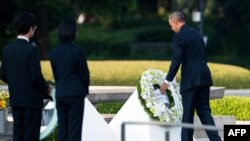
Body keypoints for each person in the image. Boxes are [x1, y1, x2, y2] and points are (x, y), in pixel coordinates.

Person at [160, 11, 222, 141]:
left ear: (176, 22)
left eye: (171, 25)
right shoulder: (196, 34)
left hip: (191, 80)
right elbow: (204, 55)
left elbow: (177, 59)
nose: (172, 29)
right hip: (204, 77)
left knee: (187, 115)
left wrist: (167, 81)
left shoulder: (179, 36)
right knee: (205, 112)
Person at [0, 12, 51, 141]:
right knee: (31, 136)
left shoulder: (7, 50)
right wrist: (46, 87)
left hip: (16, 101)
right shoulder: (31, 49)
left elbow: (3, 75)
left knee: (18, 136)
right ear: (30, 29)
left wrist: (16, 80)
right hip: (32, 102)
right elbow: (36, 76)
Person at [49, 19, 90, 141]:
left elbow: (56, 76)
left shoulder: (53, 53)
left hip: (61, 93)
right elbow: (84, 74)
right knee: (74, 130)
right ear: (73, 32)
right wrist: (85, 89)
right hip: (76, 93)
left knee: (63, 129)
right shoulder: (78, 51)